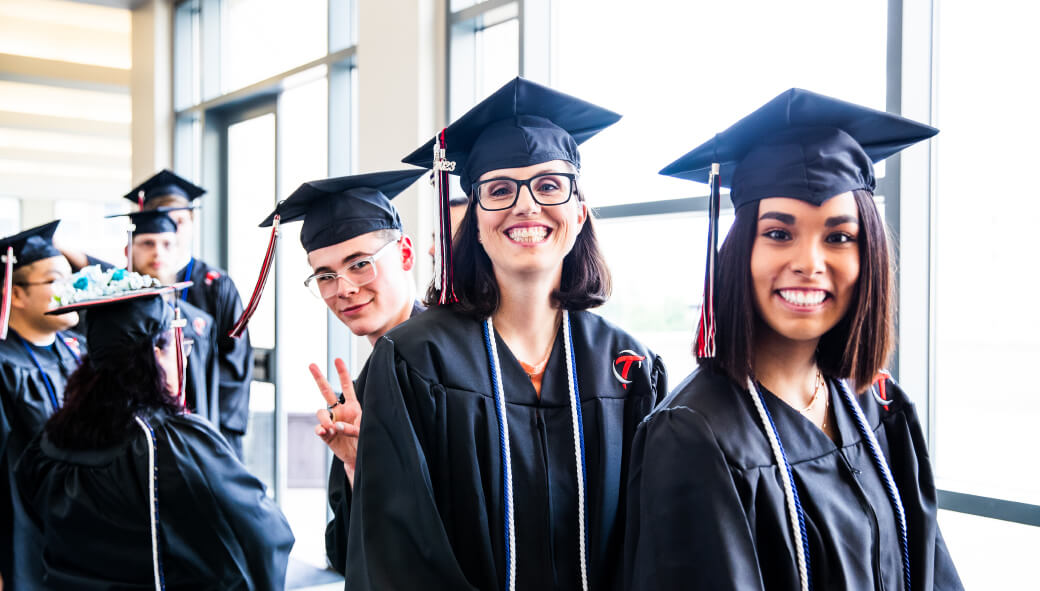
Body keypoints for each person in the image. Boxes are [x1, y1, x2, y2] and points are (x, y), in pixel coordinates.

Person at [624, 89, 963, 591]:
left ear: (867, 254)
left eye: (839, 237)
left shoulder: (879, 409)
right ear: (739, 252)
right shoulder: (694, 434)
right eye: (779, 234)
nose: (809, 262)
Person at [338, 77, 666, 590]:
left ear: (578, 216)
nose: (526, 205)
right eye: (499, 190)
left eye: (550, 185)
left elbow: (655, 543)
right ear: (475, 221)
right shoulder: (415, 360)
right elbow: (399, 549)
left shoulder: (628, 367)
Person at [13, 269, 292, 590]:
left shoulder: (52, 439)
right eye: (180, 347)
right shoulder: (171, 441)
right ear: (156, 354)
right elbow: (263, 533)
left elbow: (36, 517)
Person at [243, 169, 426, 573]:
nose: (342, 288)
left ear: (406, 254)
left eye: (360, 264)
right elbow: (344, 552)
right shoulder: (360, 394)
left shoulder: (456, 369)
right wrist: (356, 466)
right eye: (325, 275)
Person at [62, 170, 254, 458]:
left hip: (197, 423)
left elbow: (232, 366)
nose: (159, 250)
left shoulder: (214, 287)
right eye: (148, 241)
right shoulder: (113, 299)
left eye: (175, 226)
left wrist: (220, 435)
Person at [0, 220, 83, 589]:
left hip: (78, 526)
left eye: (72, 276)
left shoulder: (79, 352)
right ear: (15, 294)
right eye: (55, 281)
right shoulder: (3, 365)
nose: (73, 289)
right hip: (19, 530)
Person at [112, 209, 221, 425]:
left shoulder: (199, 324)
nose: (158, 252)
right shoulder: (108, 319)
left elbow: (206, 401)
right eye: (147, 243)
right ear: (128, 250)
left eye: (167, 244)